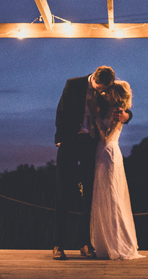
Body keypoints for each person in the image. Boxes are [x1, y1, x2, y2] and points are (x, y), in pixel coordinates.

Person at [53, 65, 130, 260]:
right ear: (94, 77)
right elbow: (61, 112)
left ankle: (84, 244)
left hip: (90, 147)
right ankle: (58, 245)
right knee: (64, 193)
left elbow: (122, 104)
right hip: (69, 144)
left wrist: (126, 116)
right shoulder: (73, 85)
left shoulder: (107, 90)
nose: (101, 91)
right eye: (99, 87)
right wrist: (60, 138)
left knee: (89, 195)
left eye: (104, 88)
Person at [89, 79, 144, 260]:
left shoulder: (117, 110)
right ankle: (107, 242)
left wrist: (97, 118)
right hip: (104, 152)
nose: (106, 93)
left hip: (108, 152)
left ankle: (116, 243)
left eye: (110, 91)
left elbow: (107, 135)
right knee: (106, 195)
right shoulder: (113, 107)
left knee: (112, 196)